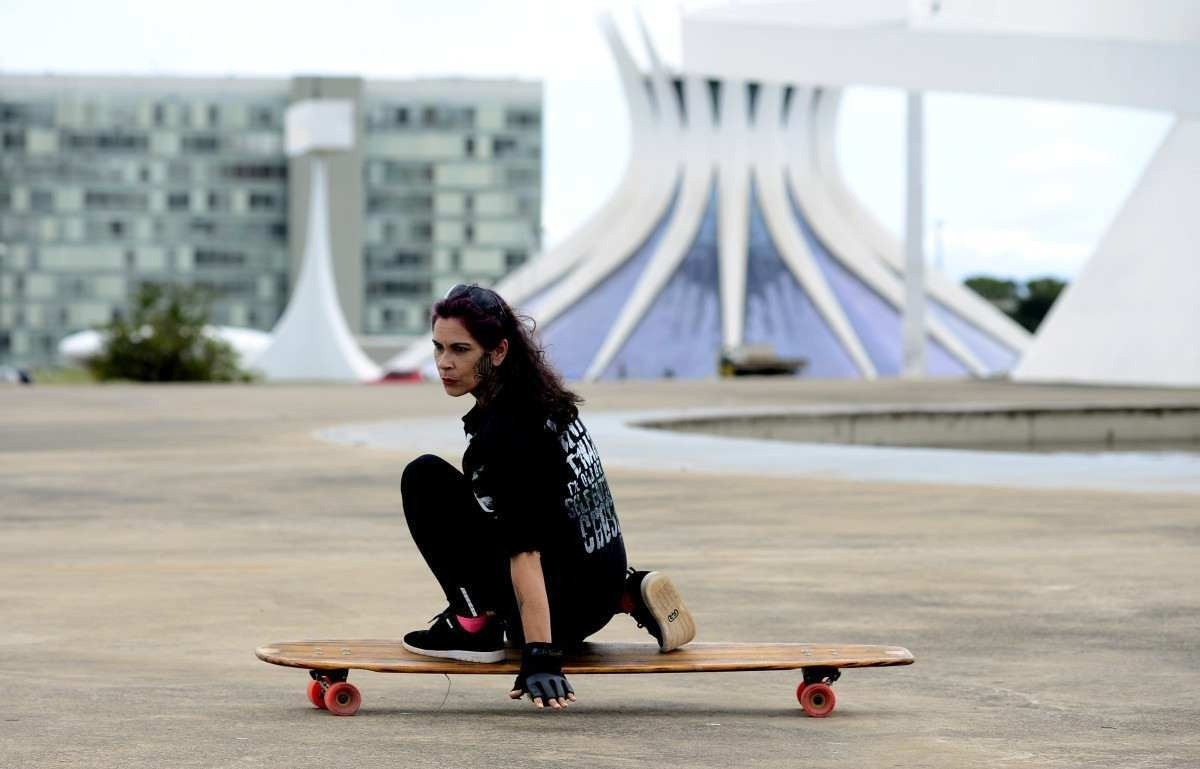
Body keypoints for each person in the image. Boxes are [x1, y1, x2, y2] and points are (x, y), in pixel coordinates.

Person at [401, 283, 696, 710]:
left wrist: (540, 655)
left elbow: (525, 553)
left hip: (561, 610)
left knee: (424, 479)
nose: (443, 364)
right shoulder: (548, 401)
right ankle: (627, 592)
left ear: (498, 352)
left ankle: (471, 626)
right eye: (438, 348)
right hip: (601, 578)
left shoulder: (506, 436)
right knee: (496, 502)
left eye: (460, 350)